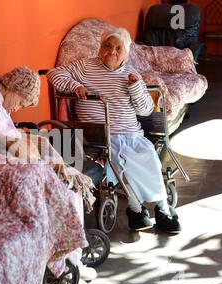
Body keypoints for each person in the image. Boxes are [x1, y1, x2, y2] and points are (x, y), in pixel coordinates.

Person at [0, 66, 97, 284]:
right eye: (21, 102)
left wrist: (32, 144)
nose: (18, 108)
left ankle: (73, 260)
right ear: (15, 88)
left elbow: (6, 135)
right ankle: (61, 269)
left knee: (70, 186)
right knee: (59, 193)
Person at [47, 28, 182, 234]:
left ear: (126, 53)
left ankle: (162, 208)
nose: (112, 51)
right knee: (117, 159)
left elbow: (145, 109)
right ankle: (136, 209)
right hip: (96, 134)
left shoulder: (131, 74)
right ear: (100, 48)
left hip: (129, 133)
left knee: (147, 158)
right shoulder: (85, 66)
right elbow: (54, 73)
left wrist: (136, 88)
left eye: (118, 48)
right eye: (107, 46)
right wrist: (74, 86)